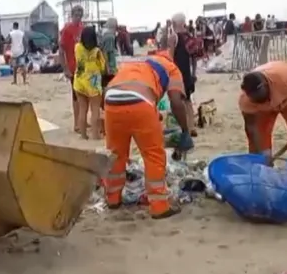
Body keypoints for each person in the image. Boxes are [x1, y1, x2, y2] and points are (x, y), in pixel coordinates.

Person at [102, 52, 193, 219]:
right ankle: (159, 205)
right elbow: (176, 101)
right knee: (153, 154)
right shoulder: (171, 68)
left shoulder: (138, 63)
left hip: (110, 100)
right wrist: (185, 130)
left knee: (116, 154)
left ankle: (112, 198)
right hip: (140, 101)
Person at [239, 61, 287, 166]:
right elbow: (252, 129)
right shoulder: (246, 102)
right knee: (258, 138)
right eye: (256, 100)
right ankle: (261, 171)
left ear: (266, 85)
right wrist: (262, 158)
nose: (260, 101)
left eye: (261, 98)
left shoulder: (286, 77)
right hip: (262, 111)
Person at [167, 12, 198, 137]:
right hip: (188, 72)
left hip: (177, 73)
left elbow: (170, 57)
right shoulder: (190, 36)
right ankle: (192, 127)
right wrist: (194, 72)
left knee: (177, 101)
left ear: (174, 23)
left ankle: (183, 127)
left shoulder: (174, 37)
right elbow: (194, 57)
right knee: (188, 100)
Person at [73, 26, 106, 140]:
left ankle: (83, 135)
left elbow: (77, 60)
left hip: (79, 79)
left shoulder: (77, 47)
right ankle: (96, 135)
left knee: (83, 109)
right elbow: (102, 67)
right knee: (95, 109)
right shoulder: (97, 51)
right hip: (93, 80)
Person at [59, 5, 85, 131]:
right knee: (76, 96)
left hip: (83, 67)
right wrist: (65, 69)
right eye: (76, 14)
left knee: (84, 95)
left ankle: (82, 120)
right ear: (72, 14)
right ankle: (76, 123)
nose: (78, 17)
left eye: (80, 14)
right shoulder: (67, 29)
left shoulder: (82, 27)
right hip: (72, 67)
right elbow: (61, 50)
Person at [100, 18, 120, 88]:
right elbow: (105, 52)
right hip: (110, 68)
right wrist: (108, 67)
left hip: (106, 67)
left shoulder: (106, 35)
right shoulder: (110, 37)